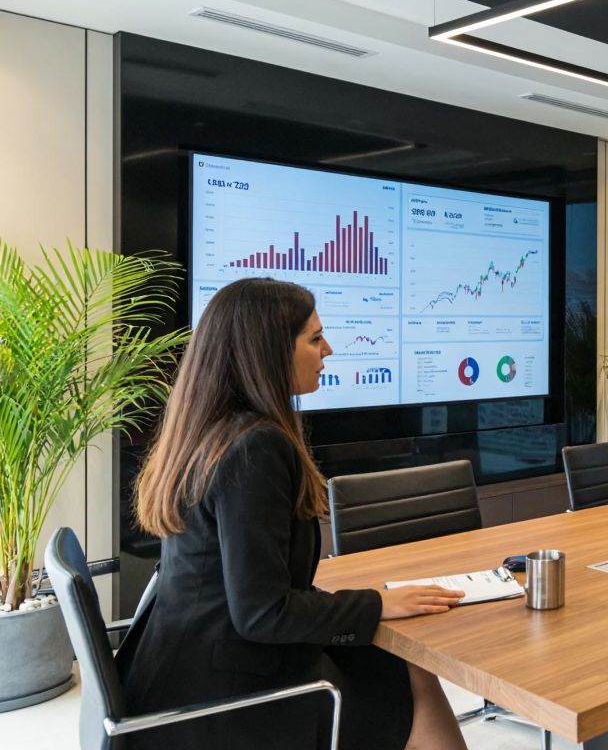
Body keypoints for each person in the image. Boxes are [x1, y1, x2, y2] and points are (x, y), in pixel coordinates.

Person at [120, 278, 469, 750]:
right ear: (267, 352)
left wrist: (369, 607)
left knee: (401, 665)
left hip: (177, 675)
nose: (329, 349)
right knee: (409, 684)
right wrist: (377, 603)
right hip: (221, 703)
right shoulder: (254, 448)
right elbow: (263, 612)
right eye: (314, 338)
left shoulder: (210, 432)